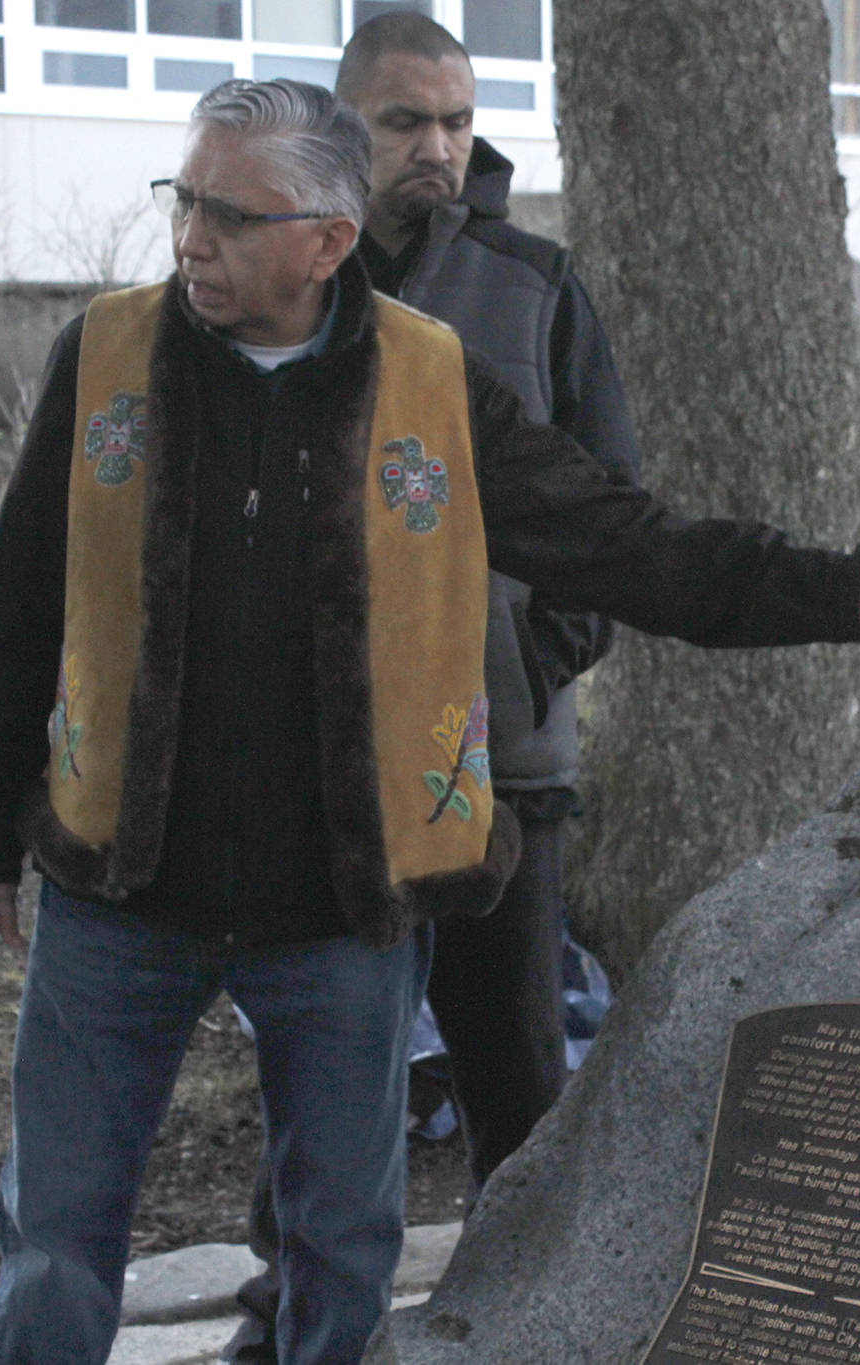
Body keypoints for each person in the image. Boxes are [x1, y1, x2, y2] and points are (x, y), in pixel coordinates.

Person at [0, 78, 860, 1365]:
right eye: (182, 199)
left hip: (340, 903)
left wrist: (846, 593)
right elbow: (10, 608)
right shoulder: (100, 357)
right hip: (116, 890)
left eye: (229, 213)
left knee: (344, 1238)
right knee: (56, 1230)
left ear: (328, 240)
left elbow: (622, 544)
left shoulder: (433, 383)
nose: (190, 239)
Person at [225, 17, 636, 1360]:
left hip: (502, 771)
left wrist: (530, 652)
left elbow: (608, 515)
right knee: (322, 1077)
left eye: (458, 121)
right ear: (343, 129)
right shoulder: (266, 283)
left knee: (518, 1074)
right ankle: (286, 1319)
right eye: (408, 122)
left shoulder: (537, 288)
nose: (440, 148)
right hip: (319, 775)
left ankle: (530, 1323)